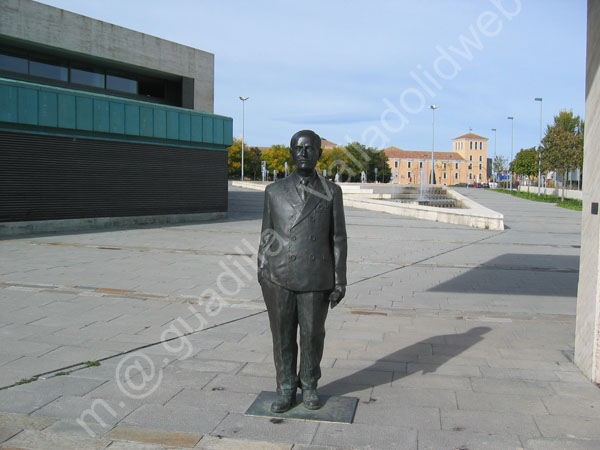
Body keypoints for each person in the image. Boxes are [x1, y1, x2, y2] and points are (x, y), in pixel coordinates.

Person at [257, 130, 347, 413]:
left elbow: (339, 238)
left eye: (310, 148)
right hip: (278, 275)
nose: (304, 153)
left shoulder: (331, 191)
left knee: (312, 334)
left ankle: (309, 384)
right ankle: (285, 387)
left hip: (315, 275)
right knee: (282, 336)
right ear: (291, 152)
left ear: (320, 153)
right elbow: (267, 234)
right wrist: (262, 270)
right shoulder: (274, 191)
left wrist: (340, 279)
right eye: (298, 148)